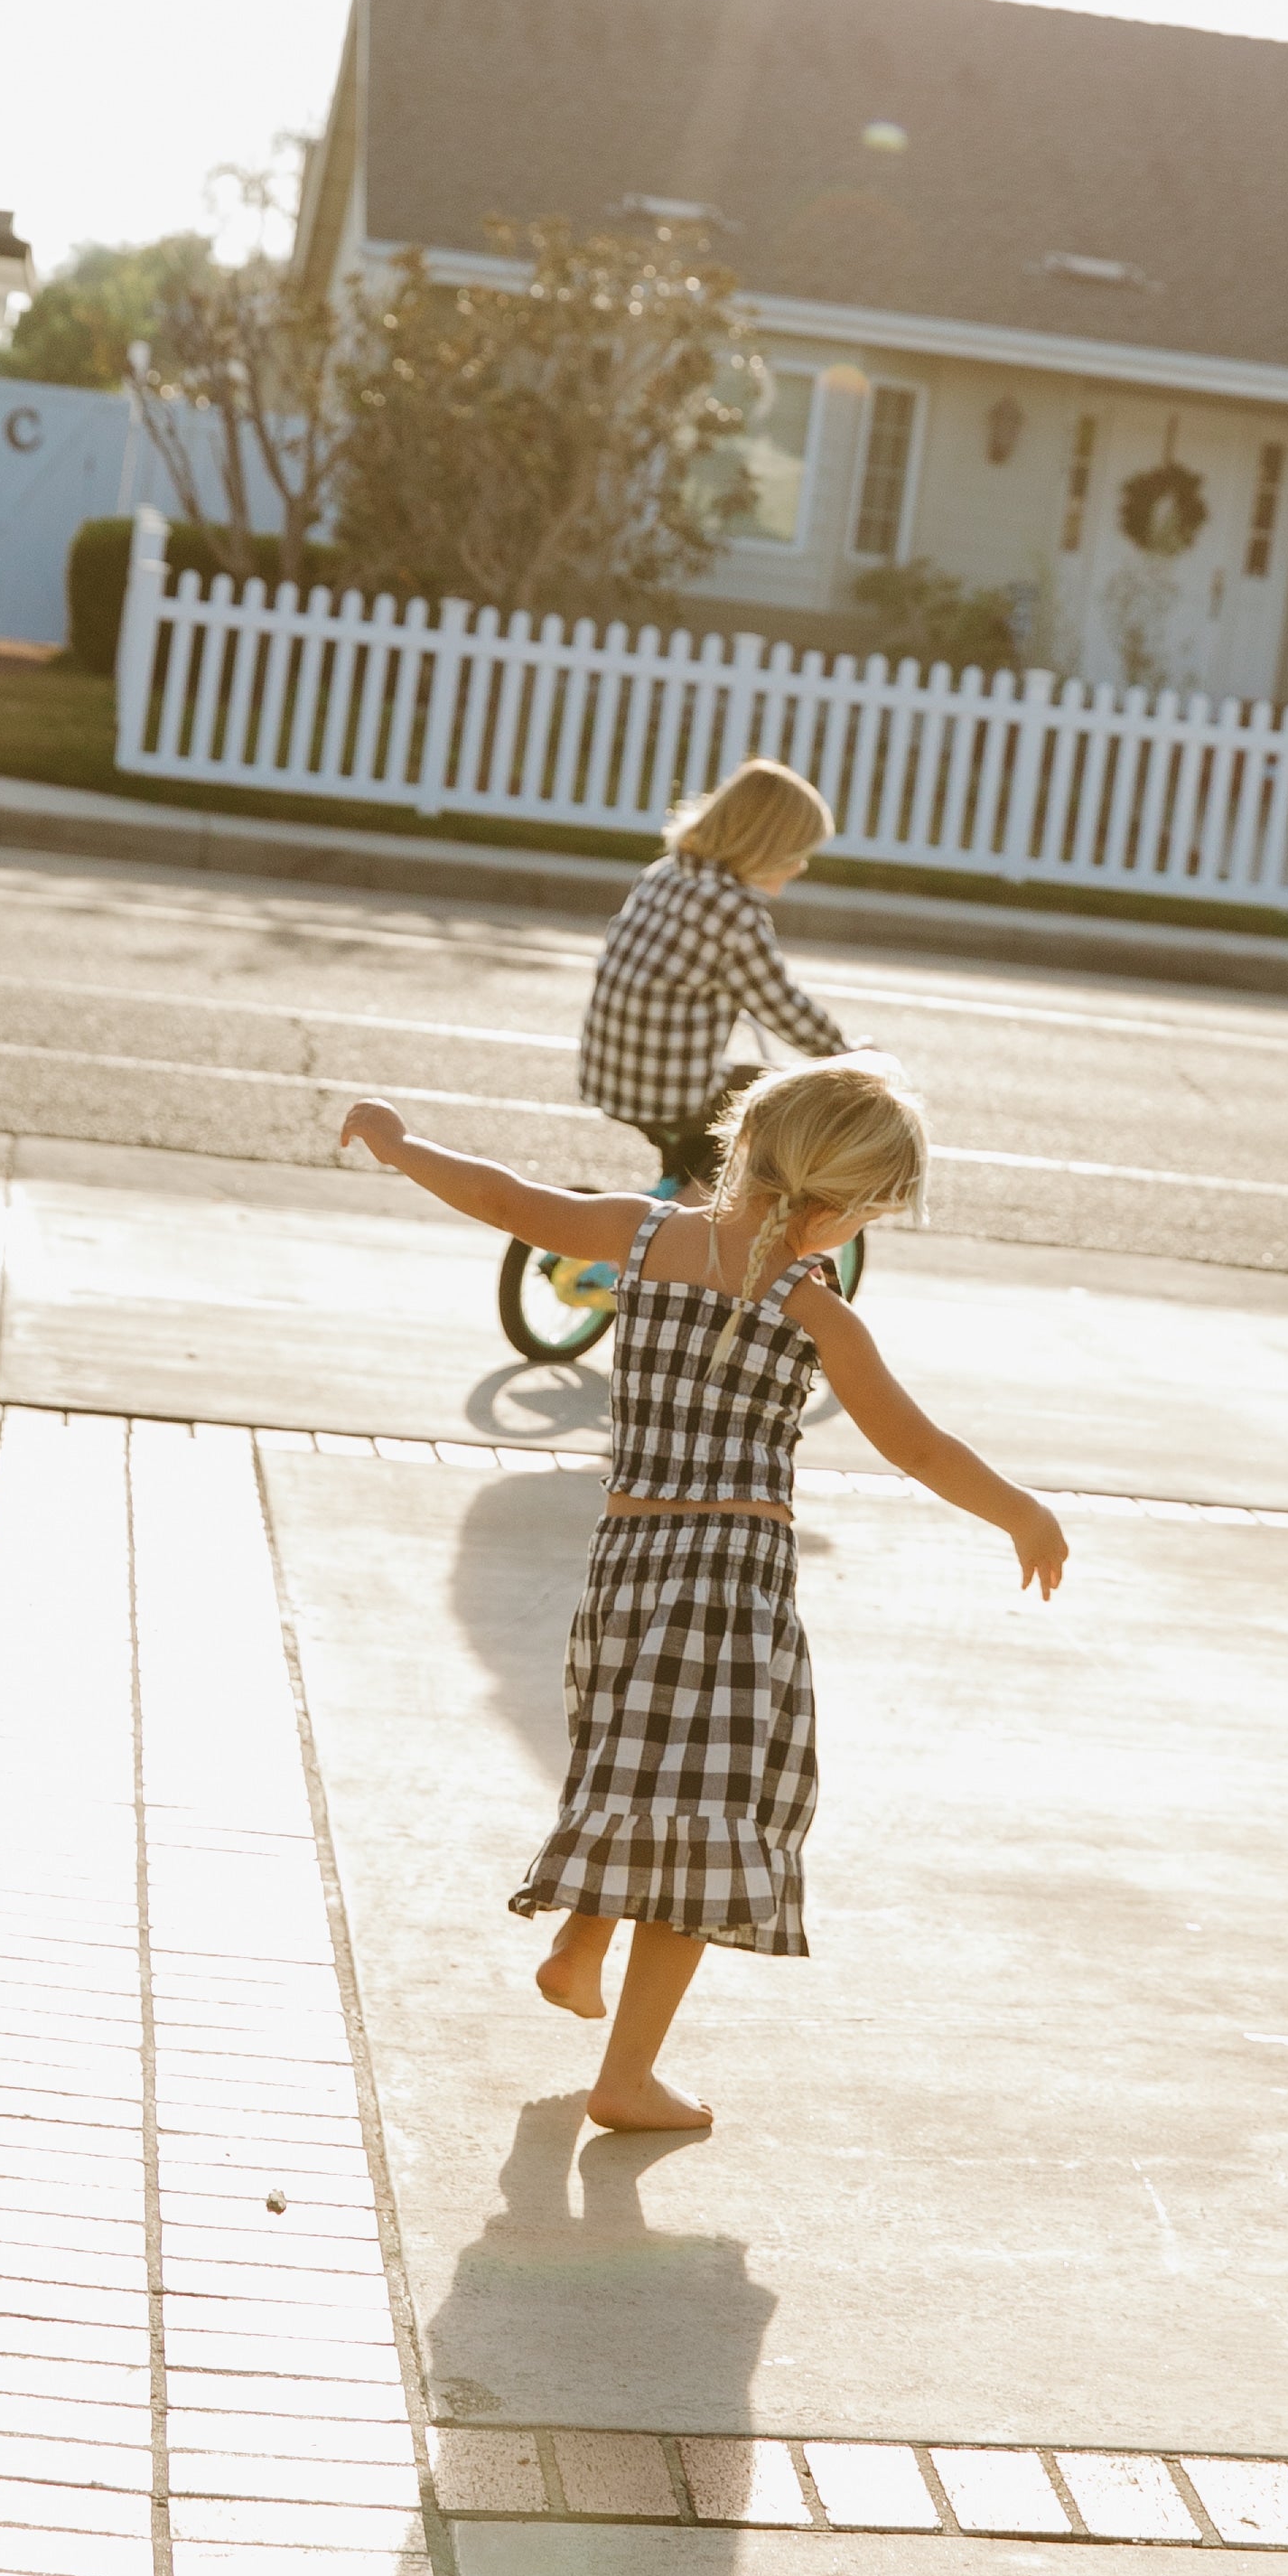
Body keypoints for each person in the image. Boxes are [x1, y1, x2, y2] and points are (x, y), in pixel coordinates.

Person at [339, 1055, 1069, 2135]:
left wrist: (401, 1146)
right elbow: (913, 1444)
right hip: (731, 1584)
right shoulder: (815, 1311)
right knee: (711, 1819)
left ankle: (580, 1944)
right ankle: (626, 2074)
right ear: (835, 1207)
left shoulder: (642, 1236)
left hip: (626, 1566)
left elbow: (506, 1199)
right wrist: (1020, 1511)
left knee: (632, 1761)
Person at [579, 757, 851, 1191]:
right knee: (778, 1099)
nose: (801, 867)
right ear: (767, 847)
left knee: (736, 1093)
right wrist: (846, 1057)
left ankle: (674, 1208)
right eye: (798, 854)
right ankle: (684, 1221)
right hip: (667, 1092)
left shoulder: (664, 874)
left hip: (610, 1073)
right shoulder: (735, 913)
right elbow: (782, 1006)